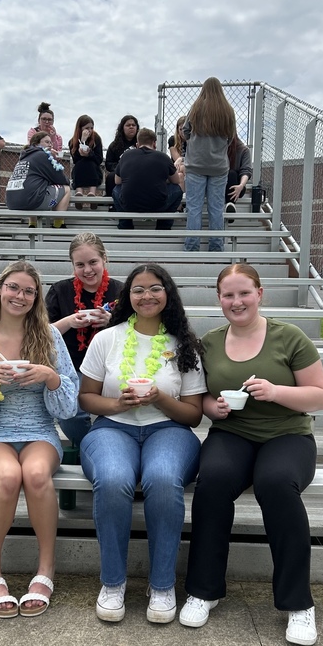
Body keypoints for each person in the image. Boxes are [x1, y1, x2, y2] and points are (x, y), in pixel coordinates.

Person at [180, 264, 323, 646]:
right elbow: (204, 397)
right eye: (228, 295)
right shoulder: (209, 341)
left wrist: (277, 392)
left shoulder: (289, 337)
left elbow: (320, 395)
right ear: (219, 299)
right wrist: (215, 409)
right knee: (211, 482)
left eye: (244, 293)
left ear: (260, 294)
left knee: (276, 483)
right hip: (233, 433)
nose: (236, 301)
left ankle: (298, 604)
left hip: (288, 434)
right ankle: (203, 590)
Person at [78, 263, 205, 624]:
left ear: (168, 294)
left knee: (164, 479)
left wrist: (160, 398)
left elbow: (193, 415)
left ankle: (162, 584)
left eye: (155, 288)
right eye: (138, 290)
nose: (146, 296)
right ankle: (113, 582)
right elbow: (86, 398)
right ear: (127, 297)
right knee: (115, 477)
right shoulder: (108, 338)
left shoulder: (184, 345)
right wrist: (118, 403)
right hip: (112, 429)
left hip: (169, 430)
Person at [0, 261, 78, 619]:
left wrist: (51, 378)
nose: (20, 296)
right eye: (14, 287)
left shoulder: (50, 338)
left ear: (36, 297)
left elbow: (69, 407)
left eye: (29, 291)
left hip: (40, 430)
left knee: (37, 474)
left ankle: (46, 568)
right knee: (9, 475)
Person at [45, 233, 124, 447]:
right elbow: (41, 334)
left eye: (93, 262)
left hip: (114, 366)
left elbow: (136, 332)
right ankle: (92, 447)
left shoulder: (122, 291)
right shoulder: (60, 291)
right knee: (70, 413)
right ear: (72, 265)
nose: (87, 270)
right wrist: (69, 321)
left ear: (104, 259)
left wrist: (110, 322)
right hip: (73, 366)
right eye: (80, 264)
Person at [182, 76, 235, 252]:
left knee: (194, 207)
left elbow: (185, 130)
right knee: (216, 209)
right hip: (219, 166)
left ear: (204, 89)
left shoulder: (196, 108)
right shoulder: (228, 111)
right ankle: (216, 247)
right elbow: (230, 138)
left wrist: (196, 143)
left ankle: (192, 247)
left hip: (196, 164)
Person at [113, 127, 184, 230]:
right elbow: (176, 181)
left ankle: (125, 226)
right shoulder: (163, 157)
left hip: (130, 204)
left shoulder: (126, 156)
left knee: (116, 190)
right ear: (154, 143)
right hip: (158, 205)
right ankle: (163, 227)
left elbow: (117, 181)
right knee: (177, 190)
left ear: (137, 144)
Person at [5, 131, 71, 228]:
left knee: (35, 187)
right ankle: (58, 223)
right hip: (31, 201)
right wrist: (51, 158)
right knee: (66, 189)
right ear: (36, 144)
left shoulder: (24, 157)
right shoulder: (42, 155)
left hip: (11, 202)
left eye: (51, 143)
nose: (50, 145)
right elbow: (60, 178)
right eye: (47, 142)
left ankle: (33, 224)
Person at [68, 114, 104, 206]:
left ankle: (92, 193)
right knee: (80, 163)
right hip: (80, 171)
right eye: (87, 128)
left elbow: (99, 159)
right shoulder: (72, 141)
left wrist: (89, 154)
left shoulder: (96, 139)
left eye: (92, 128)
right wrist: (82, 141)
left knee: (90, 162)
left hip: (94, 171)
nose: (90, 130)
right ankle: (79, 192)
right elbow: (75, 160)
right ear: (80, 128)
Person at [103, 114, 139, 198]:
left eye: (133, 125)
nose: (131, 127)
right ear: (122, 128)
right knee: (111, 177)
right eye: (128, 125)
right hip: (120, 173)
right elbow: (109, 163)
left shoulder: (141, 144)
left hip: (137, 172)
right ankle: (112, 203)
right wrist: (120, 169)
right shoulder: (114, 145)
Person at [223, 134, 252, 214]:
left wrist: (241, 185)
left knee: (231, 174)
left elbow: (246, 171)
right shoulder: (216, 148)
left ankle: (230, 205)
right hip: (218, 183)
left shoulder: (244, 150)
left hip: (235, 186)